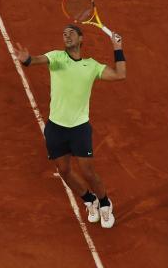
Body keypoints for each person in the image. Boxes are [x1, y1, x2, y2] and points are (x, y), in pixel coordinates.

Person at [14, 24, 126, 229]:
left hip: (79, 129)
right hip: (55, 128)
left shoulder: (91, 66)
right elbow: (37, 60)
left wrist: (117, 47)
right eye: (64, 33)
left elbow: (120, 74)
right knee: (64, 170)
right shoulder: (57, 57)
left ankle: (104, 203)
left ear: (81, 39)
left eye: (71, 33)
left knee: (88, 172)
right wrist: (27, 60)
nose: (66, 36)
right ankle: (89, 200)